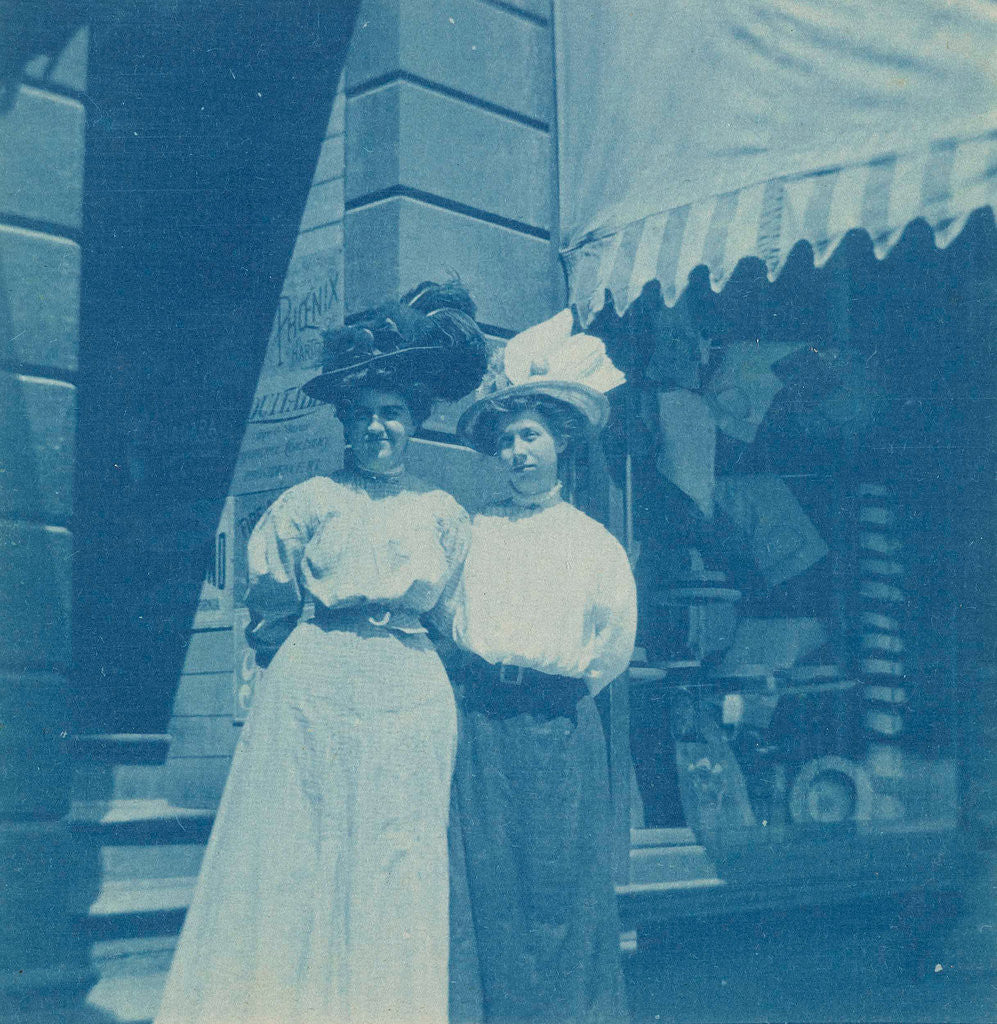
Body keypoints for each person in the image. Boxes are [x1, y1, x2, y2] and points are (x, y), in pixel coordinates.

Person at [155, 281, 487, 1024]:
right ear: (346, 423)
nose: (378, 429)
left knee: (396, 849)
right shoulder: (307, 502)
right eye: (365, 416)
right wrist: (306, 660)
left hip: (409, 683)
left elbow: (456, 615)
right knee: (299, 844)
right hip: (315, 678)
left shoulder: (441, 513)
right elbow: (267, 605)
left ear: (415, 423)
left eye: (392, 415)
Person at [442, 309, 637, 1024]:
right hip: (481, 725)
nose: (520, 452)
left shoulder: (592, 545)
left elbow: (610, 647)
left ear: (562, 445)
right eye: (508, 440)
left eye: (533, 437)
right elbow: (448, 622)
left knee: (558, 889)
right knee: (488, 883)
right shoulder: (471, 531)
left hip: (556, 725)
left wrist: (550, 693)